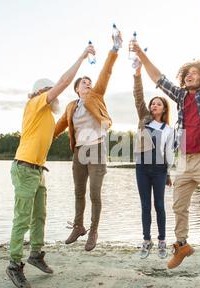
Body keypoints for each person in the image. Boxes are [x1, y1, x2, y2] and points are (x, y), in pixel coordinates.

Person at [133, 2, 200, 283]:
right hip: (183, 161)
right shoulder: (181, 97)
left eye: (195, 72)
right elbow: (158, 77)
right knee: (178, 207)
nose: (190, 74)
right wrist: (141, 53)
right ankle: (182, 246)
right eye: (187, 72)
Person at [6, 45, 95, 288]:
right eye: (51, 91)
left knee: (39, 217)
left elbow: (63, 127)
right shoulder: (35, 103)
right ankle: (14, 264)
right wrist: (81, 57)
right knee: (22, 219)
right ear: (41, 92)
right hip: (24, 168)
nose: (55, 95)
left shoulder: (48, 116)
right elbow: (65, 81)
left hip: (38, 171)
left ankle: (36, 254)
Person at [54, 33, 123, 252]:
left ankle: (93, 230)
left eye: (90, 83)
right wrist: (42, 137)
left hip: (97, 149)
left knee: (94, 192)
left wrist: (115, 48)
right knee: (78, 191)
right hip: (79, 152)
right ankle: (78, 226)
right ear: (76, 88)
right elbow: (58, 127)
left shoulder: (96, 96)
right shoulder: (70, 107)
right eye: (85, 83)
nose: (89, 84)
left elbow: (106, 72)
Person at [133, 59, 174, 259]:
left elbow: (169, 154)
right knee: (145, 206)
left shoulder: (168, 129)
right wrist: (137, 73)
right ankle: (146, 240)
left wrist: (168, 174)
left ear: (164, 109)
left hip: (158, 170)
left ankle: (162, 241)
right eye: (152, 103)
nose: (154, 105)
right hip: (141, 168)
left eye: (158, 103)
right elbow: (138, 96)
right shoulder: (144, 119)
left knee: (159, 204)